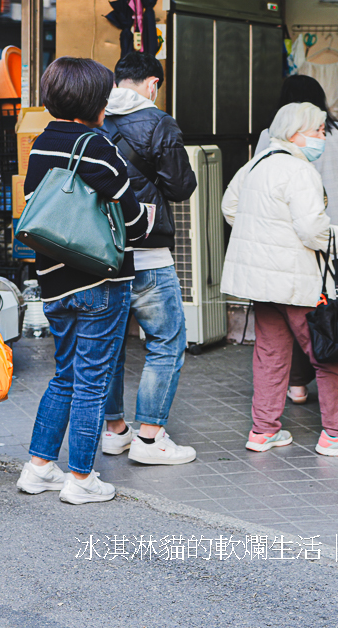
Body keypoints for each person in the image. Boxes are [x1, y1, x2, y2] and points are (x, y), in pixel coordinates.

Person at [17, 57, 150, 503]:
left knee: (66, 376)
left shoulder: (40, 144)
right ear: (96, 101)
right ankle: (81, 478)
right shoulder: (99, 147)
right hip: (99, 281)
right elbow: (132, 217)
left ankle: (38, 467)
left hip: (54, 281)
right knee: (93, 381)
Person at [222, 101, 338, 458]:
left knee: (270, 355)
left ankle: (263, 430)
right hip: (296, 281)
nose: (322, 138)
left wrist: (265, 235)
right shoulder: (299, 170)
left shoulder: (257, 163)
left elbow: (229, 206)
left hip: (261, 281)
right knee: (327, 353)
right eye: (318, 131)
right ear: (296, 133)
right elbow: (313, 230)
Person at [253, 75, 338, 407]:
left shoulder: (270, 136)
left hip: (292, 241)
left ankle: (296, 385)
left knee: (296, 308)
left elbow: (256, 181)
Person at [98, 51, 197, 466]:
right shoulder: (159, 123)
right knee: (166, 342)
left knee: (111, 345)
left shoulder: (94, 117)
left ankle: (114, 431)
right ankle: (150, 438)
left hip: (102, 252)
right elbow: (179, 187)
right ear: (152, 83)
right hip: (149, 253)